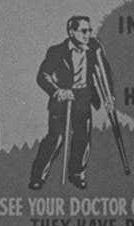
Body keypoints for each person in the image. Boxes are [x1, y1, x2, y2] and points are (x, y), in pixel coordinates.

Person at [28, 15, 117, 190]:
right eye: (83, 31)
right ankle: (38, 176)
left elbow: (104, 72)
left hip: (84, 97)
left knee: (82, 137)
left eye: (89, 31)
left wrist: (109, 96)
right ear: (72, 32)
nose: (87, 34)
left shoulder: (94, 47)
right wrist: (57, 90)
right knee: (57, 137)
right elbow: (43, 75)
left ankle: (77, 174)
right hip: (63, 99)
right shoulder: (57, 51)